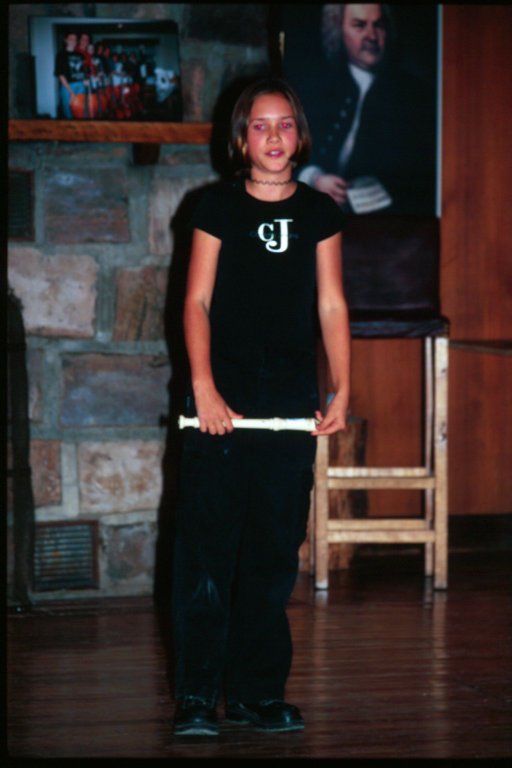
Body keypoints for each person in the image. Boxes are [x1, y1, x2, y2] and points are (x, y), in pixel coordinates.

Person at [171, 77, 351, 737]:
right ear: (241, 139)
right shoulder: (214, 207)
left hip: (287, 406)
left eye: (284, 124)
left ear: (299, 136)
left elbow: (330, 303)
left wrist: (342, 388)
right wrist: (204, 387)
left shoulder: (320, 213)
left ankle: (257, 694)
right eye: (259, 126)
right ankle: (197, 697)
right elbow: (196, 301)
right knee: (207, 551)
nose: (273, 136)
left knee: (274, 553)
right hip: (219, 404)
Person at [286, 4, 436, 215]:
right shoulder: (315, 89)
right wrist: (314, 179)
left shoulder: (415, 95)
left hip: (386, 222)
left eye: (379, 25)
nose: (371, 36)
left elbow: (421, 178)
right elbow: (288, 155)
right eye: (359, 25)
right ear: (338, 30)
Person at [54, 31, 87, 119]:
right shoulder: (61, 55)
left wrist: (85, 80)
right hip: (68, 86)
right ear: (66, 40)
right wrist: (71, 93)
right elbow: (60, 75)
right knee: (68, 113)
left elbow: (83, 71)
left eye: (75, 39)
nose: (73, 41)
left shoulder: (80, 55)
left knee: (80, 112)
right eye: (71, 39)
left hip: (81, 85)